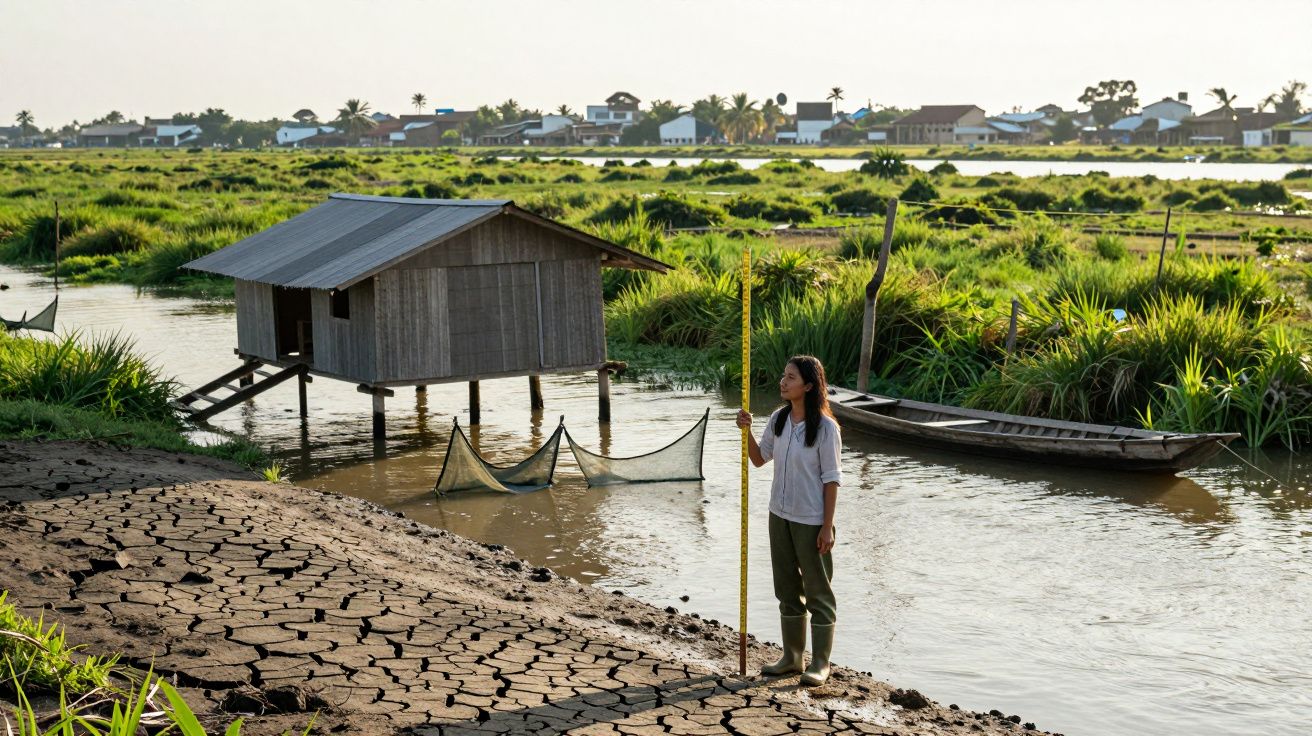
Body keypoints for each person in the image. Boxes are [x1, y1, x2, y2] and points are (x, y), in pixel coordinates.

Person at [736, 354, 842, 686]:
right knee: (786, 588)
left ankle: (820, 663)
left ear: (809, 386)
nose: (783, 382)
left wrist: (827, 526)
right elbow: (758, 459)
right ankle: (792, 657)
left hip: (811, 520)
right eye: (784, 376)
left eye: (791, 378)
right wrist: (747, 430)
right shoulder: (779, 420)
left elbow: (831, 480)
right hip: (778, 515)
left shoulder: (826, 429)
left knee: (818, 591)